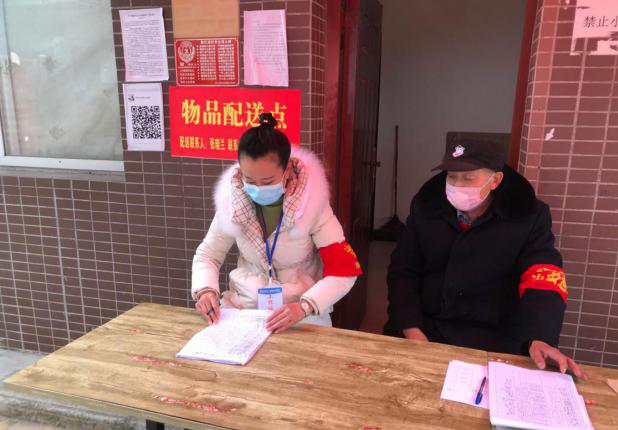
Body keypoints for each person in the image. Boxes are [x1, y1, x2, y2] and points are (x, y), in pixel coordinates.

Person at [384, 138, 585, 378]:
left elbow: (543, 279)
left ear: (495, 180)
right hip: (427, 328)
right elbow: (403, 271)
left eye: (468, 178)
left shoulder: (528, 216)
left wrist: (539, 337)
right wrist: (412, 330)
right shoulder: (427, 208)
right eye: (452, 177)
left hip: (493, 337)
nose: (458, 185)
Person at [192, 113, 362, 333]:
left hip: (300, 314)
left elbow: (344, 271)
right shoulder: (232, 203)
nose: (257, 189)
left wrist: (304, 306)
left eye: (268, 181)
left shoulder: (313, 204)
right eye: (250, 180)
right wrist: (206, 290)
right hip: (245, 308)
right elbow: (208, 255)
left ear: (287, 170)